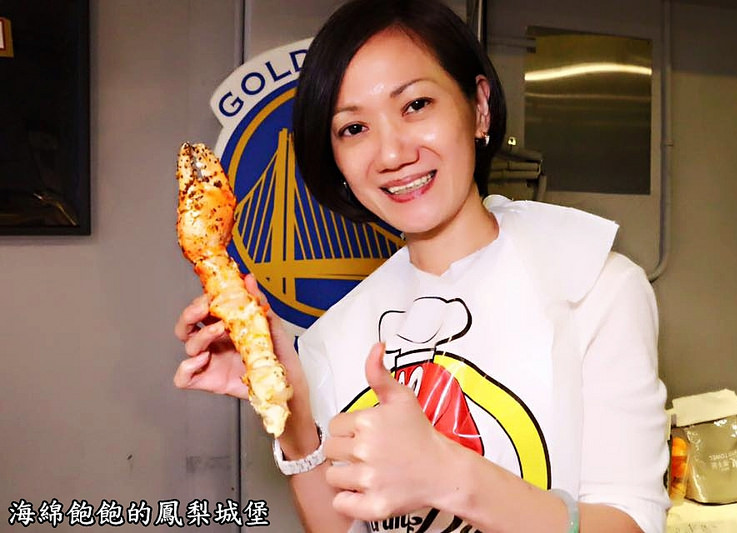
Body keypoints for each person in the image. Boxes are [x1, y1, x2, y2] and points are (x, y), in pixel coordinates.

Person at [173, 0, 671, 531]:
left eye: (415, 105)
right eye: (353, 128)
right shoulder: (335, 336)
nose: (391, 154)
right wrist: (294, 418)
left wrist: (449, 477)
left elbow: (631, 523)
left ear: (479, 107)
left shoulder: (596, 288)